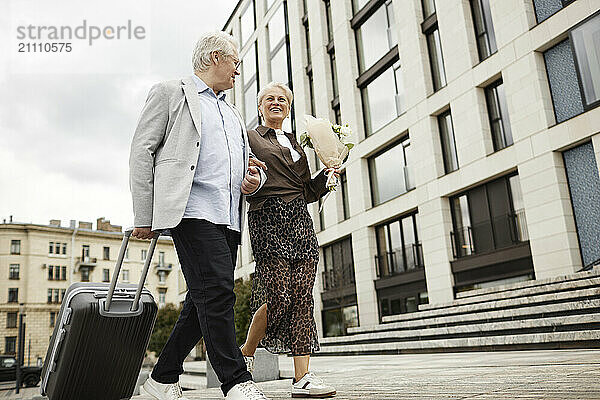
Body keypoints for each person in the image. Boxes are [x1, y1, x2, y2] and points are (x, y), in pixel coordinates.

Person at [129, 31, 270, 400]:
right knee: (219, 293)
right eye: (235, 62)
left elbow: (243, 165)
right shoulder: (170, 93)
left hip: (228, 215)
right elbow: (141, 151)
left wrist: (253, 178)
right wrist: (144, 215)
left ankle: (161, 378)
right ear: (214, 57)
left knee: (204, 298)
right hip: (190, 211)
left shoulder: (232, 111)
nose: (239, 70)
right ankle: (236, 381)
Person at [240, 82, 337, 398]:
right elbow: (242, 176)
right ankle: (246, 353)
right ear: (260, 106)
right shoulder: (251, 138)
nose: (277, 103)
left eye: (282, 99)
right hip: (268, 218)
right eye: (270, 99)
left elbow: (307, 190)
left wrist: (327, 175)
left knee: (302, 297)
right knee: (279, 294)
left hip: (300, 221)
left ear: (289, 107)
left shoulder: (297, 143)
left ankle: (302, 377)